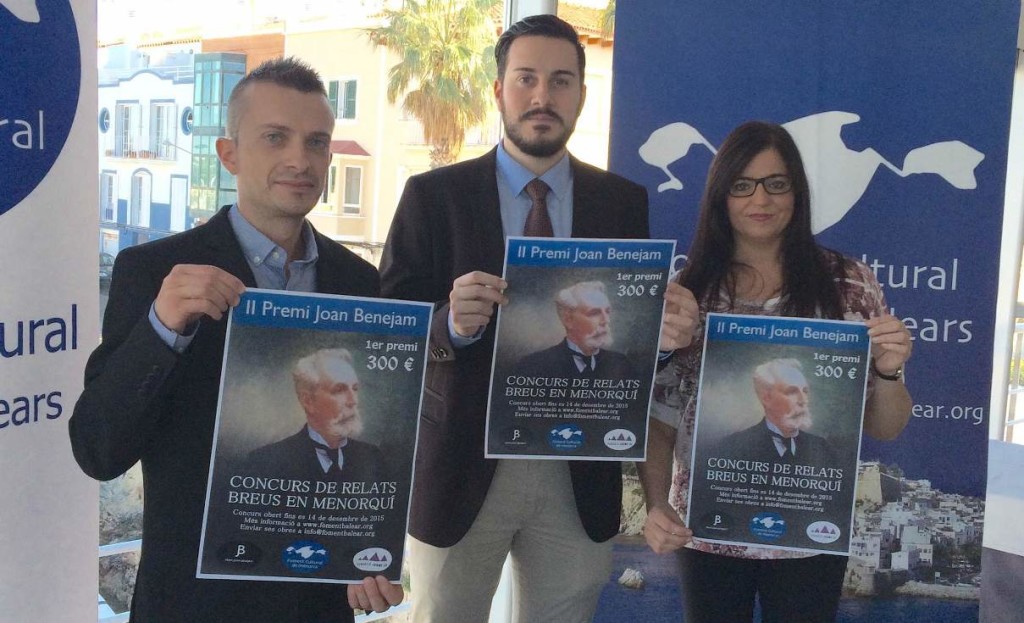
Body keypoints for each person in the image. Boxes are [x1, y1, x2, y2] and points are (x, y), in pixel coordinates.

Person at [379, 14, 696, 623]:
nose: (542, 97)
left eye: (561, 81)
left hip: (577, 473)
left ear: (581, 93)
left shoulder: (622, 202)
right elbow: (390, 332)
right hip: (460, 470)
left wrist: (661, 339)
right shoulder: (432, 195)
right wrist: (449, 323)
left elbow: (628, 333)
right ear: (499, 89)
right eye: (526, 79)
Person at [69, 57, 401, 622]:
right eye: (275, 138)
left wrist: (369, 555)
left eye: (316, 142)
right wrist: (161, 328)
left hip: (319, 605)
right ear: (230, 155)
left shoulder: (359, 283)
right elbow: (98, 449)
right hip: (194, 603)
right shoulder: (155, 273)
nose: (300, 159)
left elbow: (372, 462)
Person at [638, 121, 913, 623]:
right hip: (708, 530)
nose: (759, 198)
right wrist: (656, 504)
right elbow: (659, 417)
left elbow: (885, 426)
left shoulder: (849, 283)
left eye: (776, 183)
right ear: (721, 196)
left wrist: (891, 373)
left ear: (797, 192)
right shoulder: (688, 289)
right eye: (742, 185)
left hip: (812, 534)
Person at [246, 348, 387, 483]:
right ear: (308, 401)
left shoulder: (372, 456)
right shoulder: (265, 461)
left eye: (355, 389)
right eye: (339, 390)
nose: (353, 401)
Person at [719, 358, 837, 466]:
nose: (803, 400)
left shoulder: (822, 447)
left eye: (805, 391)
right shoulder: (733, 446)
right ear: (766, 398)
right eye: (791, 391)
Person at [516, 280, 636, 379]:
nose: (606, 320)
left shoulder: (621, 363)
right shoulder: (534, 365)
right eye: (594, 313)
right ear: (568, 320)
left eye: (607, 311)